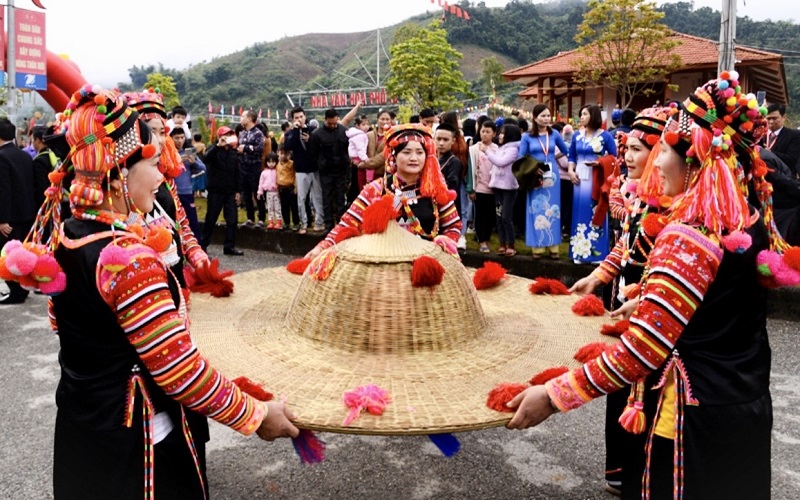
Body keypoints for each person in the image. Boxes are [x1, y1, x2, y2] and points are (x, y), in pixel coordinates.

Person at [507, 73, 795, 499]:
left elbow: (643, 349)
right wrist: (646, 298)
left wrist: (553, 395)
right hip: (741, 408)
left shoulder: (689, 235)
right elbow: (715, 304)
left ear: (696, 161)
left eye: (665, 153)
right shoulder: (748, 222)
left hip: (687, 420)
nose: (657, 164)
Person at [15, 87, 298, 498]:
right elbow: (178, 370)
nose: (163, 173)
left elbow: (62, 322)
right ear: (116, 171)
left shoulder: (67, 236)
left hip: (85, 425)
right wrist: (256, 415)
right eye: (151, 161)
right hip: (140, 439)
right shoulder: (128, 259)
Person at [568, 107, 670, 495]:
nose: (627, 155)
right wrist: (595, 278)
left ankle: (642, 475)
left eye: (641, 149)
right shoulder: (635, 194)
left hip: (657, 306)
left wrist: (644, 296)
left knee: (647, 386)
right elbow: (624, 249)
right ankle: (620, 470)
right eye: (627, 147)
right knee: (620, 384)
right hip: (623, 296)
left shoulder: (676, 205)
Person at [305, 123, 461, 259]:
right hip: (383, 268)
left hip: (426, 265)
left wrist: (442, 247)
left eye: (420, 153)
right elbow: (347, 225)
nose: (414, 158)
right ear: (393, 156)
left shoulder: (434, 188)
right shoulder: (377, 189)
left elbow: (453, 226)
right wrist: (322, 247)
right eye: (406, 153)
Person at [567, 104, 617, 264]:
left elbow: (615, 158)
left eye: (584, 114)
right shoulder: (576, 135)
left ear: (593, 116)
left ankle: (598, 254)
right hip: (579, 180)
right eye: (581, 114)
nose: (581, 117)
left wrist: (600, 162)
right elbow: (571, 156)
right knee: (579, 212)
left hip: (596, 177)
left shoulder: (605, 136)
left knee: (595, 209)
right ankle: (579, 252)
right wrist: (570, 171)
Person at [519, 104, 570, 260]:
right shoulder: (527, 137)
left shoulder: (554, 134)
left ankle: (554, 247)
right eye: (543, 116)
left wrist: (554, 158)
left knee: (553, 209)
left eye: (548, 115)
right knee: (536, 210)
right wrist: (532, 168)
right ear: (535, 118)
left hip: (552, 175)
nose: (547, 119)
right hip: (535, 175)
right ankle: (537, 247)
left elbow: (566, 150)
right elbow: (520, 158)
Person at [0, 117, 36, 305]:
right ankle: (22, 289)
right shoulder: (24, 155)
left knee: (7, 255)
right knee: (21, 253)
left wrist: (3, 219)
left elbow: (3, 189)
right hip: (26, 215)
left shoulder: (1, 156)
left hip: (10, 218)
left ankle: (16, 292)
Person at [202, 126, 244, 255]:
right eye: (225, 135)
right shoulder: (213, 149)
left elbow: (238, 172)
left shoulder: (233, 152)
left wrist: (238, 191)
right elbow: (206, 159)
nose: (228, 137)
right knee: (211, 218)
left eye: (230, 134)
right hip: (215, 191)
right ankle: (203, 245)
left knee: (232, 220)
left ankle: (229, 246)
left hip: (230, 191)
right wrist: (218, 146)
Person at [309, 108, 352, 232]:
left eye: (335, 123)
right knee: (326, 198)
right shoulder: (317, 134)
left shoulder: (344, 131)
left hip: (341, 171)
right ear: (325, 120)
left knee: (340, 197)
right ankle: (328, 225)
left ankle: (341, 223)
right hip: (326, 172)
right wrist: (321, 164)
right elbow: (313, 153)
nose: (333, 125)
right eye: (330, 123)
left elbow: (348, 150)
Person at [284, 106, 324, 234]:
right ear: (292, 119)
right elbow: (288, 146)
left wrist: (310, 140)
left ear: (305, 117)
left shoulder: (313, 130)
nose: (299, 119)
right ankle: (303, 224)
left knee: (317, 197)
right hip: (301, 170)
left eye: (301, 117)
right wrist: (296, 130)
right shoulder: (290, 133)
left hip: (314, 169)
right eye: (296, 118)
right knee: (301, 198)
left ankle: (319, 222)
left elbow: (320, 146)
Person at [486, 123, 522, 256]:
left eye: (503, 133)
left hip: (509, 187)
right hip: (498, 187)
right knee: (499, 216)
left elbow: (501, 162)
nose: (500, 135)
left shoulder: (513, 149)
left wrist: (488, 152)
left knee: (506, 216)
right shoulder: (501, 148)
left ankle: (511, 244)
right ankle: (502, 243)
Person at [466, 120, 498, 253]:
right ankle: (481, 241)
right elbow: (470, 170)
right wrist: (470, 189)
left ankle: (487, 237)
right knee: (479, 215)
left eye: (488, 132)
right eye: (482, 131)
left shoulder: (497, 149)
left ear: (494, 134)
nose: (484, 134)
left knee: (491, 215)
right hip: (479, 188)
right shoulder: (474, 149)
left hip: (494, 188)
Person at [170, 127, 206, 241]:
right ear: (170, 138)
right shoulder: (168, 152)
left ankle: (199, 251)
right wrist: (177, 161)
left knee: (192, 222)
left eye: (182, 137)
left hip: (186, 192)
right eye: (176, 138)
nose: (180, 141)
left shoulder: (189, 151)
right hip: (171, 192)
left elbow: (203, 168)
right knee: (173, 222)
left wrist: (194, 162)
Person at [237, 110, 266, 227]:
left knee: (257, 193)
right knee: (246, 194)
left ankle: (262, 219)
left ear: (249, 118)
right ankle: (250, 218)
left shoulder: (258, 133)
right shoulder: (242, 133)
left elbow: (259, 149)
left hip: (254, 167)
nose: (241, 118)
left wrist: (246, 148)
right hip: (243, 167)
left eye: (243, 116)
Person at [763, 103, 800, 178]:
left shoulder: (794, 135)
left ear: (783, 117)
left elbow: (792, 159)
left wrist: (770, 153)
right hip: (761, 178)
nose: (771, 122)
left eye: (774, 118)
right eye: (768, 118)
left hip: (784, 180)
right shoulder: (759, 134)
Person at [257, 152, 283, 230]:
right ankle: (271, 221)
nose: (271, 164)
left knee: (277, 207)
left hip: (276, 191)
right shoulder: (264, 173)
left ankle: (279, 221)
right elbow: (261, 183)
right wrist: (259, 192)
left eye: (273, 162)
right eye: (269, 162)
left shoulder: (277, 171)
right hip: (268, 192)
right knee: (270, 207)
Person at [277, 145, 299, 231]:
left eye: (285, 154)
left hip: (290, 188)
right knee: (284, 207)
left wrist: (295, 187)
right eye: (281, 153)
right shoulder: (277, 164)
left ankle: (296, 223)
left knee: (294, 207)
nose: (283, 156)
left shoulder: (292, 164)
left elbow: (295, 175)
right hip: (282, 188)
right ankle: (286, 222)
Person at [347, 115, 371, 192]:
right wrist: (365, 159)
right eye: (363, 125)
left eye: (367, 124)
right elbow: (360, 149)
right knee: (367, 170)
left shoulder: (359, 134)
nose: (366, 127)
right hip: (358, 158)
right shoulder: (359, 135)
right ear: (357, 125)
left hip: (357, 157)